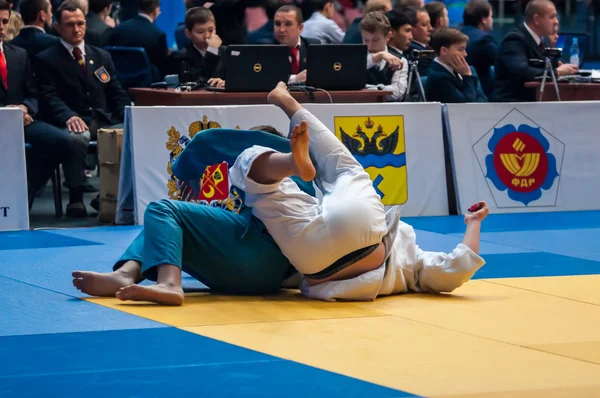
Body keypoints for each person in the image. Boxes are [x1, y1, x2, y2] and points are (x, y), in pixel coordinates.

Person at [73, 82, 488, 305]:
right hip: (321, 263)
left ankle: (288, 147)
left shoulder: (268, 179)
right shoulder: (413, 263)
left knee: (176, 208)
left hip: (300, 261)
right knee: (339, 169)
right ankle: (127, 273)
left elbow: (212, 142)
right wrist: (473, 225)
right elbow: (456, 269)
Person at [35, 0, 130, 217]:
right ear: (57, 27)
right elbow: (49, 96)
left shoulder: (101, 56)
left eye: (80, 23)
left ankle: (107, 195)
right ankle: (76, 197)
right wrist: (68, 115)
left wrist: (128, 114)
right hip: (69, 119)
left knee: (127, 132)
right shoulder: (46, 59)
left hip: (101, 117)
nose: (76, 29)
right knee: (77, 137)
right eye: (70, 24)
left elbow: (115, 91)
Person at [0, 0, 82, 210]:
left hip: (23, 121)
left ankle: (28, 187)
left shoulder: (18, 54)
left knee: (66, 141)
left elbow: (32, 94)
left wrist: (25, 108)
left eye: (4, 21)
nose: (1, 26)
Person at [493, 0, 577, 102]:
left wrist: (558, 65)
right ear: (536, 19)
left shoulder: (540, 40)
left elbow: (546, 65)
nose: (556, 21)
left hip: (535, 101)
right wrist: (557, 72)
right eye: (552, 17)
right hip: (513, 105)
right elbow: (523, 72)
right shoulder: (514, 39)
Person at [109, 0, 168, 82]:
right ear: (156, 10)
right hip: (146, 83)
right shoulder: (158, 34)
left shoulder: (118, 29)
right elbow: (162, 65)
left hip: (119, 80)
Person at [425, 27, 487, 103]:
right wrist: (467, 76)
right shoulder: (439, 77)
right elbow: (467, 106)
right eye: (460, 50)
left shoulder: (458, 69)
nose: (465, 54)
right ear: (444, 51)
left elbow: (483, 99)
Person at [360, 11, 408, 101]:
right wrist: (379, 56)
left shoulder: (401, 60)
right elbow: (353, 70)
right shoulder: (354, 56)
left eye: (375, 40)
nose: (369, 46)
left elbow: (397, 93)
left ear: (388, 36)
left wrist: (367, 89)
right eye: (365, 40)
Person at [174, 6, 224, 88]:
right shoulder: (183, 56)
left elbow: (237, 78)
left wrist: (226, 83)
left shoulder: (227, 52)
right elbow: (199, 80)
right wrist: (212, 51)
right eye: (200, 32)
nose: (207, 36)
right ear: (188, 34)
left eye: (211, 30)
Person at [272, 5, 319, 85]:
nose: (282, 29)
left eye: (288, 24)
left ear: (300, 28)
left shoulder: (313, 46)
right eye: (277, 24)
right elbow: (267, 78)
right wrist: (295, 79)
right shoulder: (266, 47)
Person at [461, 0, 497, 99]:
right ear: (484, 19)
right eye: (491, 16)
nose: (492, 20)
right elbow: (502, 65)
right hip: (481, 93)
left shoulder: (456, 34)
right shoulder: (484, 40)